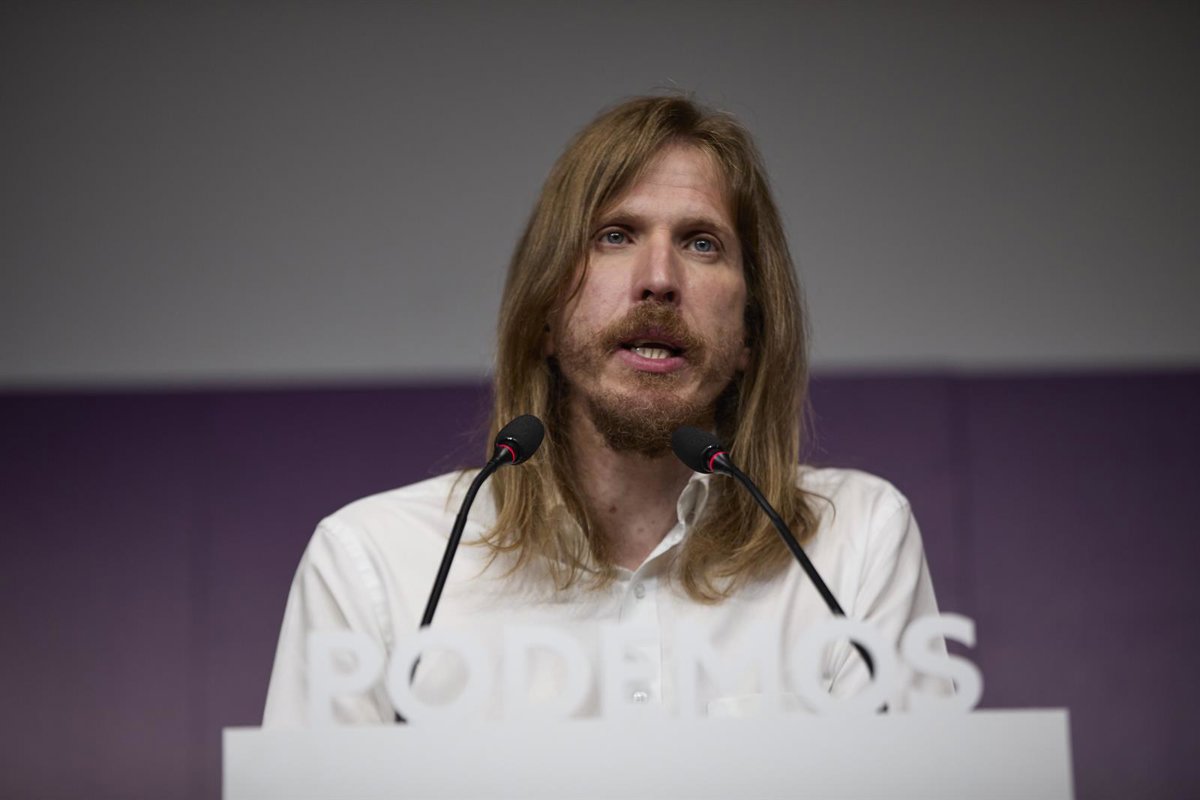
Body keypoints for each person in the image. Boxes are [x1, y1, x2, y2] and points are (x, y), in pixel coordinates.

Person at [263, 96, 945, 726]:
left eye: (701, 243)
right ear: (545, 317)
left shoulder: (855, 544)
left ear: (750, 333)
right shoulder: (374, 565)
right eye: (615, 236)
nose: (659, 279)